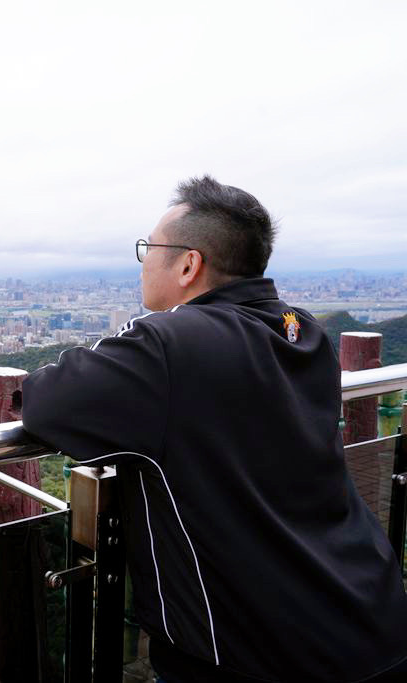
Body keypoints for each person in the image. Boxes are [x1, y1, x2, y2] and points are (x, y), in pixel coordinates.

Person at [21, 176, 407, 682]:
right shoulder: (304, 331)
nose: (143, 262)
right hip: (373, 618)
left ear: (188, 264)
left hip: (254, 654)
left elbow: (45, 401)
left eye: (149, 249)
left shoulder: (168, 345)